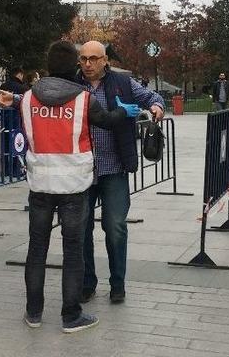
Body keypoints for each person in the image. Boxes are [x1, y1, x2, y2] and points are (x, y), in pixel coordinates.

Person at [0, 41, 140, 333]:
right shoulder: (84, 100)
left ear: (47, 66)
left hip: (40, 184)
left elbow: (25, 111)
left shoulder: (27, 99)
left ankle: (33, 313)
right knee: (73, 249)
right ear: (75, 66)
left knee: (37, 248)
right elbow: (109, 122)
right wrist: (125, 112)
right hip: (74, 185)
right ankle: (70, 315)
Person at [78, 40, 165, 304]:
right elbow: (42, 96)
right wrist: (14, 100)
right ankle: (86, 282)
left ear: (105, 60)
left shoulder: (123, 83)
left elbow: (151, 97)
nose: (88, 64)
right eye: (83, 59)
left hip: (113, 167)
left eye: (94, 58)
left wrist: (157, 106)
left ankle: (117, 283)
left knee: (114, 226)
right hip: (80, 169)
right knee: (80, 229)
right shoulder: (72, 84)